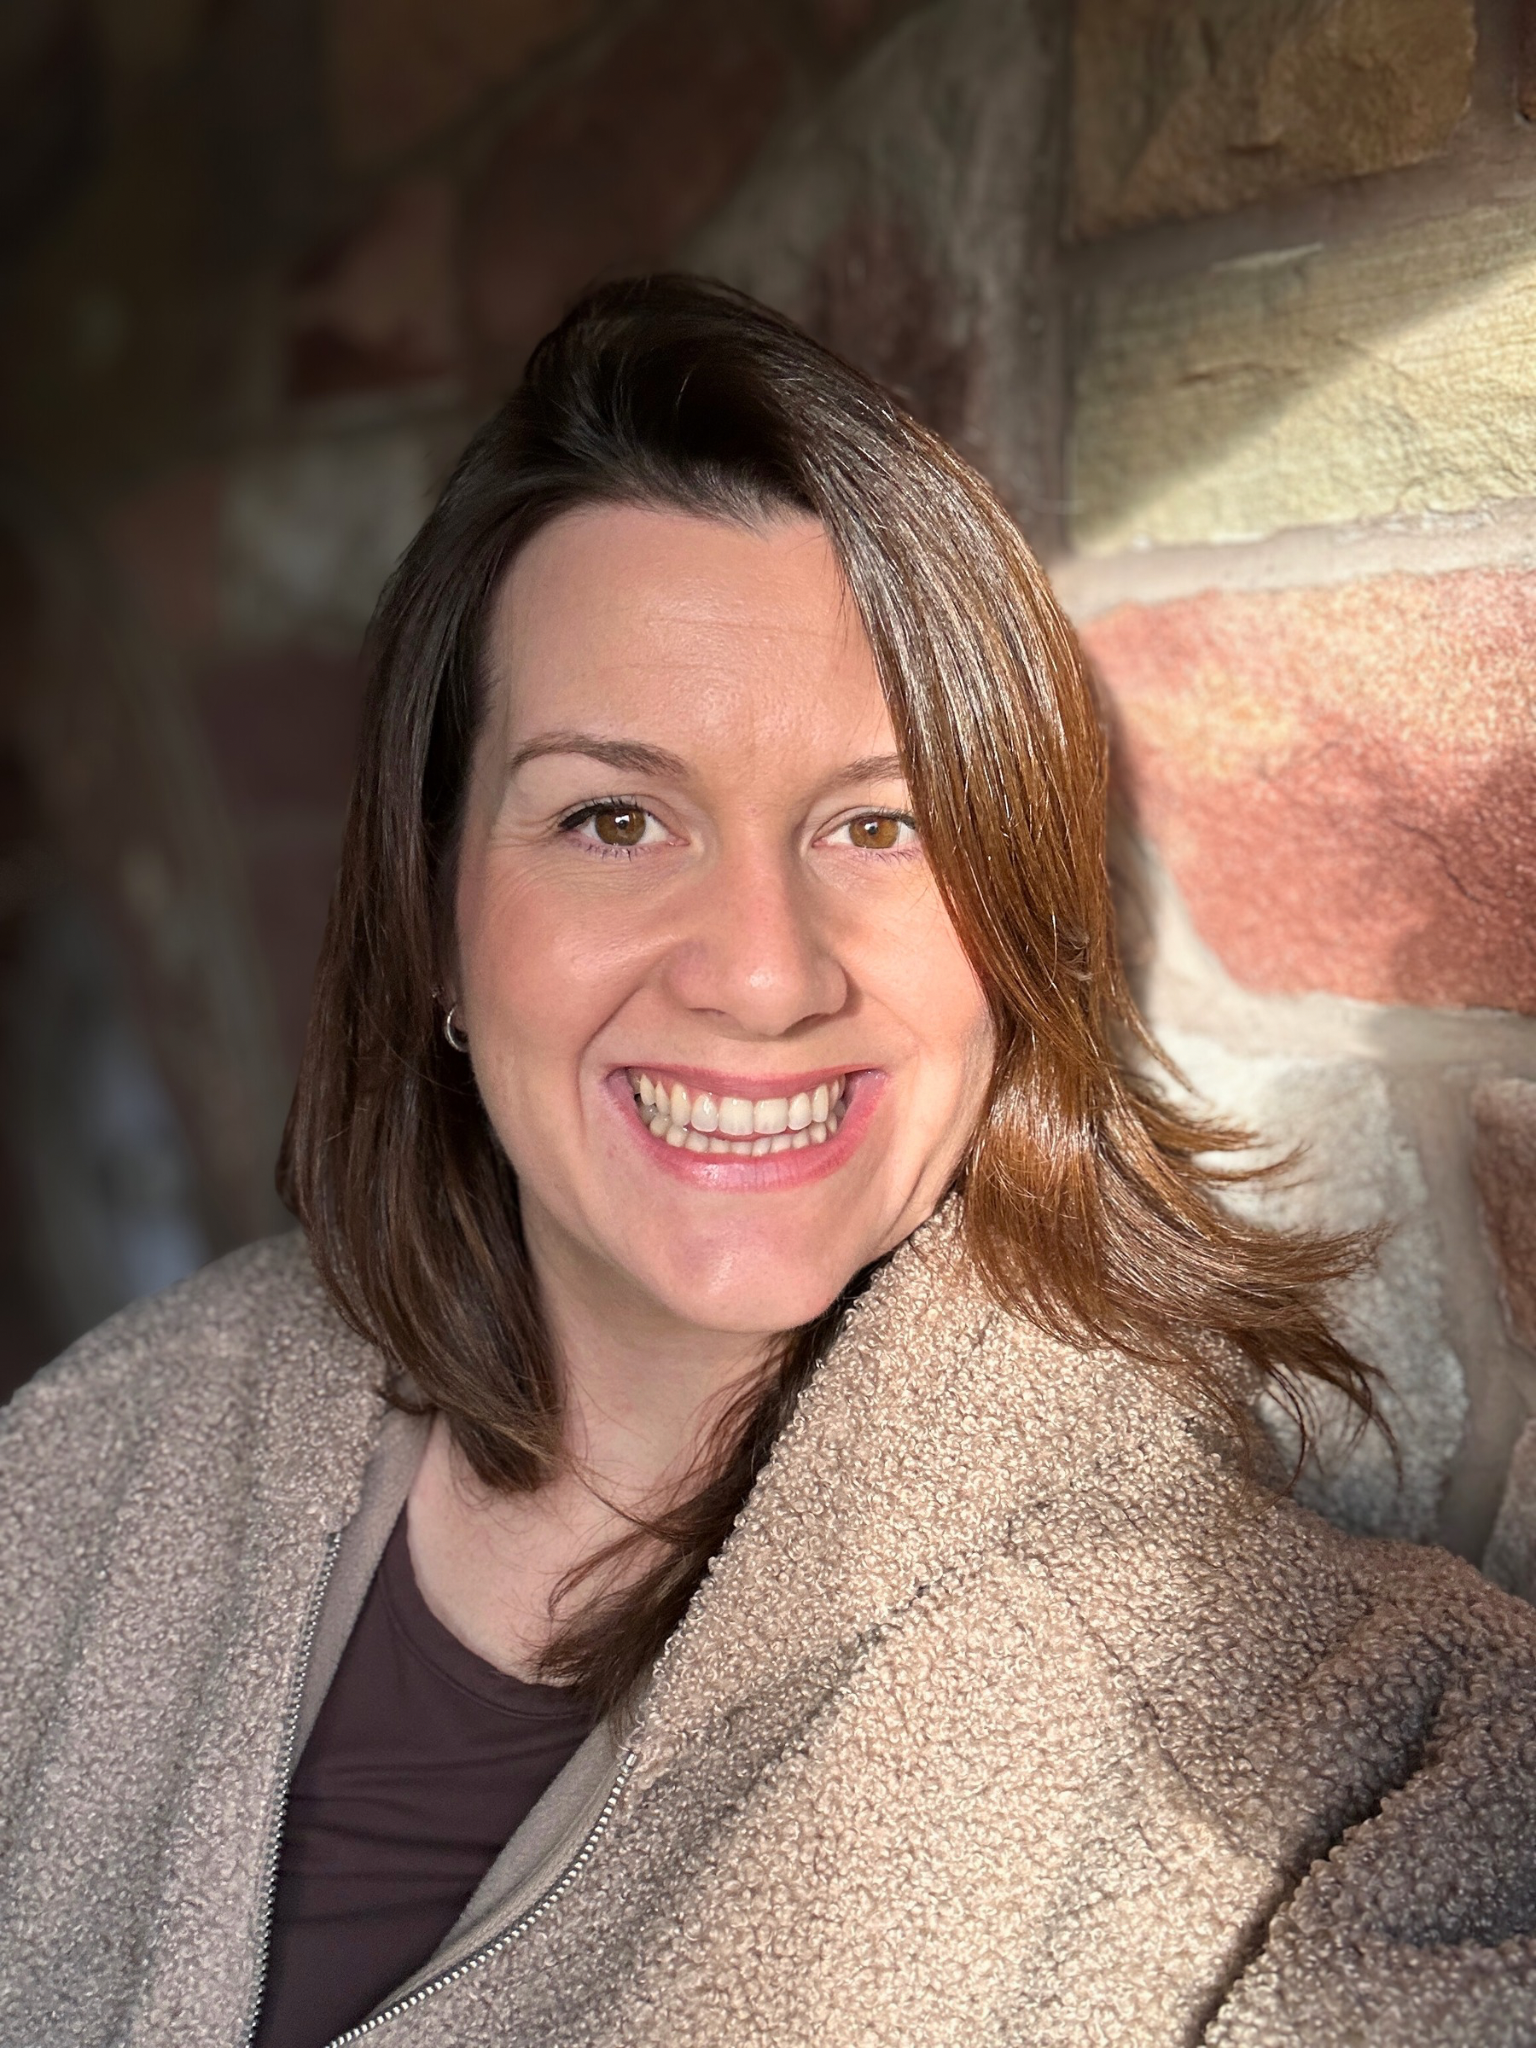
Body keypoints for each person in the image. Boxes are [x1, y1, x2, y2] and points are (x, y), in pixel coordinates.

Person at [2, 276, 1534, 2048]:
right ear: (435, 921)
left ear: (1010, 938)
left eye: (877, 825)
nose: (759, 969)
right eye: (614, 818)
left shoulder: (1311, 1742)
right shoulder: (99, 1468)